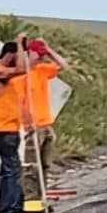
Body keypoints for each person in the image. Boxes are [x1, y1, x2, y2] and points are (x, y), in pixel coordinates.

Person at [0, 36, 30, 213]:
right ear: (10, 54)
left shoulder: (2, 72)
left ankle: (8, 207)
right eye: (17, 55)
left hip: (7, 128)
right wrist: (20, 44)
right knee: (13, 169)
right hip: (2, 129)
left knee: (9, 169)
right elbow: (22, 69)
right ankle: (10, 210)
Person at [24, 37, 68, 180]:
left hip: (46, 124)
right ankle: (32, 196)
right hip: (33, 125)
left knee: (45, 163)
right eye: (38, 54)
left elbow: (63, 65)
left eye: (42, 55)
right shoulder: (21, 73)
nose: (41, 57)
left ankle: (42, 193)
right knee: (32, 164)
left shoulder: (42, 69)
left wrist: (48, 50)